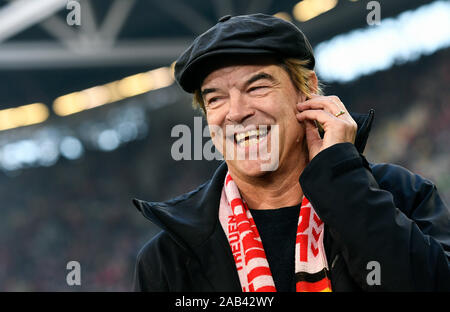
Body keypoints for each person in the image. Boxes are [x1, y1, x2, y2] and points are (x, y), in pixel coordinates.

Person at [132, 14, 450, 292]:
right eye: (215, 99)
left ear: (307, 90)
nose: (236, 112)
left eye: (257, 87)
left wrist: (343, 180)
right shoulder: (168, 259)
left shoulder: (401, 194)